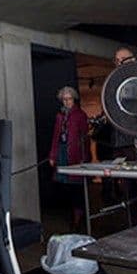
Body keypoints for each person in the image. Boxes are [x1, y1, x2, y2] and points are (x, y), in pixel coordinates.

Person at [48, 86, 90, 229]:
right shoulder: (60, 116)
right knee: (65, 184)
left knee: (76, 185)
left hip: (75, 153)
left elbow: (85, 137)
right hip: (62, 151)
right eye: (64, 99)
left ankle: (79, 213)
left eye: (69, 99)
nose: (67, 102)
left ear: (74, 99)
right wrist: (52, 155)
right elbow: (55, 136)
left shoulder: (80, 115)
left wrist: (85, 156)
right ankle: (73, 212)